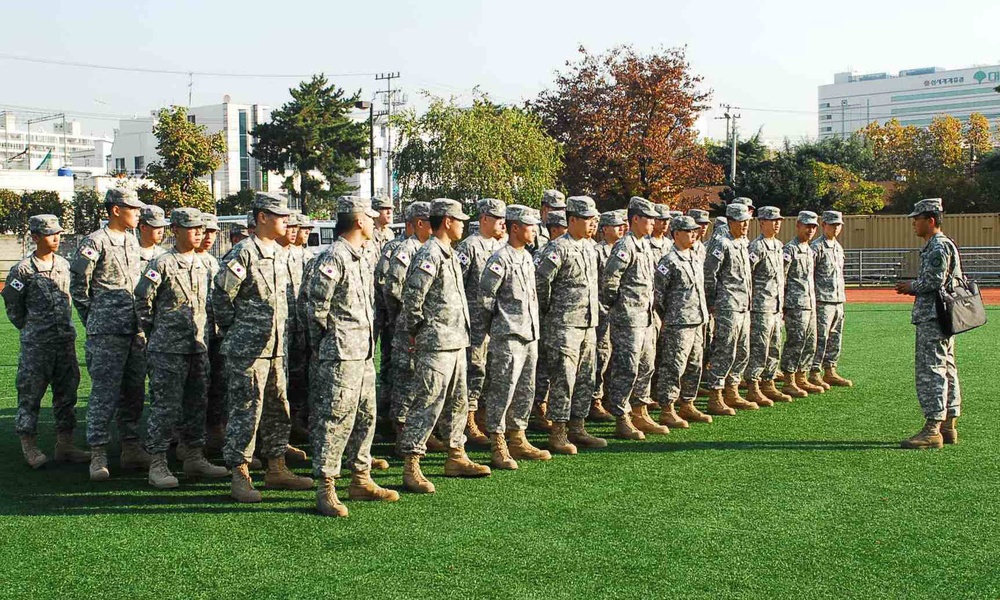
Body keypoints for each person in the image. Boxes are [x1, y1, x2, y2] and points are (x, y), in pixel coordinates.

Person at [214, 193, 313, 503]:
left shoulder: (281, 254)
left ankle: (276, 468)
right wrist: (237, 329)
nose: (286, 221)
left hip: (278, 347)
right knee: (246, 410)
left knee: (277, 408)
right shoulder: (243, 253)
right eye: (279, 216)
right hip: (249, 349)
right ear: (261, 218)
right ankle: (240, 473)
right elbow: (220, 297)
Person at [306, 197, 398, 517]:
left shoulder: (361, 257)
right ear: (359, 221)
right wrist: (327, 343)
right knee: (334, 420)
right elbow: (316, 309)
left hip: (363, 352)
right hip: (341, 354)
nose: (375, 222)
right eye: (370, 218)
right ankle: (326, 487)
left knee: (365, 417)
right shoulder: (334, 258)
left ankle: (361, 478)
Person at [397, 198, 491, 493]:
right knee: (427, 404)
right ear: (447, 221)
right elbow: (412, 298)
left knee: (458, 403)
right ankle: (411, 463)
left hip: (455, 341)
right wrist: (419, 331)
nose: (464, 224)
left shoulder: (448, 253)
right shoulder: (430, 253)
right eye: (460, 219)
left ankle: (456, 455)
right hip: (436, 343)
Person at [135, 208, 229, 488]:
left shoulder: (205, 264)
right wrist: (159, 333)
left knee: (197, 404)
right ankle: (158, 463)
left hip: (198, 346)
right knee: (166, 407)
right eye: (192, 228)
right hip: (168, 349)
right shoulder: (161, 264)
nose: (199, 233)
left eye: (202, 228)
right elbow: (142, 303)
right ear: (175, 230)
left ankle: (194, 456)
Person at [70, 188, 150, 481]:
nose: (138, 213)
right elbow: (78, 284)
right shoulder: (95, 241)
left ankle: (130, 446)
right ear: (116, 209)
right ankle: (98, 452)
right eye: (133, 208)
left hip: (133, 328)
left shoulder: (131, 242)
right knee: (104, 392)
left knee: (134, 390)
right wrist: (93, 317)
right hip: (106, 331)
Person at [3, 214, 89, 469]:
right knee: (30, 395)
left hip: (64, 342)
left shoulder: (64, 265)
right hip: (36, 345)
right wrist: (30, 328)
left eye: (58, 233)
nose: (56, 238)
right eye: (50, 234)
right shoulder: (22, 270)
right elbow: (12, 305)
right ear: (36, 237)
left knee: (67, 394)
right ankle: (29, 444)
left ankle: (65, 444)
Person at [533, 196, 607, 454]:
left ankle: (578, 426)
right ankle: (558, 431)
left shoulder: (590, 247)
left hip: (587, 323)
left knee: (585, 377)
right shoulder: (558, 248)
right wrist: (550, 310)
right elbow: (541, 282)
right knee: (563, 378)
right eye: (587, 219)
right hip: (564, 325)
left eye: (594, 219)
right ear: (572, 220)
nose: (592, 224)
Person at [479, 204, 550, 469]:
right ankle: (497, 442)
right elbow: (485, 297)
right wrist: (494, 326)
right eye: (530, 226)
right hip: (508, 335)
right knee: (503, 390)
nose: (535, 230)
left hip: (529, 333)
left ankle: (518, 437)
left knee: (525, 389)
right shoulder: (500, 258)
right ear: (516, 227)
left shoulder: (527, 258)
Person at [895, 198, 963, 449]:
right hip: (942, 317)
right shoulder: (942, 245)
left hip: (933, 316)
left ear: (930, 221)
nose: (914, 223)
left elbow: (934, 282)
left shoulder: (937, 247)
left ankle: (933, 427)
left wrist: (910, 286)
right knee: (947, 367)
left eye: (917, 219)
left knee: (932, 369)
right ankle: (948, 425)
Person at [600, 197, 668, 439]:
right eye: (649, 218)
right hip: (628, 318)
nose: (653, 222)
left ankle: (640, 411)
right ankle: (621, 416)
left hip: (646, 318)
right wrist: (619, 306)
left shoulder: (645, 245)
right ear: (636, 219)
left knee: (647, 366)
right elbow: (609, 281)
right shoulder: (625, 246)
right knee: (626, 368)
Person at [653, 215, 713, 428]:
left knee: (695, 364)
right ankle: (667, 408)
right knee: (674, 366)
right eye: (689, 231)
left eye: (695, 231)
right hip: (678, 322)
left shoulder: (695, 258)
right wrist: (670, 316)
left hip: (697, 320)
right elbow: (658, 294)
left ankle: (687, 403)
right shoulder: (669, 261)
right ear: (676, 234)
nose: (694, 234)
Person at [455, 198, 506, 445]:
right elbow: (458, 285)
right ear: (484, 219)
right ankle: (469, 420)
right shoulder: (469, 247)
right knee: (474, 370)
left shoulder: (499, 247)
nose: (502, 223)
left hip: (493, 322)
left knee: (490, 370)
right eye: (497, 219)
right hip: (474, 323)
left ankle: (484, 416)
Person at [382, 202, 434, 436]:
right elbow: (392, 288)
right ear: (419, 223)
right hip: (408, 325)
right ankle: (401, 428)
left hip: (425, 327)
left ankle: (417, 428)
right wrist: (402, 317)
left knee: (420, 378)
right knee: (405, 376)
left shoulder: (430, 249)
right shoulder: (406, 249)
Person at [703, 203, 756, 415]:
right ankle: (715, 395)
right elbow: (710, 275)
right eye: (741, 222)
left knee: (742, 350)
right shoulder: (721, 243)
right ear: (731, 221)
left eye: (747, 222)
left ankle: (732, 391)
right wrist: (713, 301)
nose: (745, 225)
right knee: (725, 349)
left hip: (743, 306)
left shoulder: (742, 242)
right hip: (728, 306)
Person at [745, 206, 792, 406]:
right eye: (772, 220)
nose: (776, 224)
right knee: (759, 347)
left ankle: (769, 382)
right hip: (760, 307)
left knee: (774, 346)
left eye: (779, 220)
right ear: (761, 222)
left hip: (775, 306)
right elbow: (748, 276)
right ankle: (753, 386)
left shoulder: (778, 245)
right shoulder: (756, 247)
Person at [780, 211, 823, 397]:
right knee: (795, 341)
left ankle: (802, 376)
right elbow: (781, 278)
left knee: (810, 342)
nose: (810, 230)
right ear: (798, 225)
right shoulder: (790, 250)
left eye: (813, 227)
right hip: (795, 304)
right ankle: (789, 379)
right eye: (807, 226)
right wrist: (782, 305)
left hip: (810, 303)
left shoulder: (810, 250)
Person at [590, 209, 626, 422]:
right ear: (604, 230)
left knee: (615, 357)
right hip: (602, 312)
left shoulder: (622, 250)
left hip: (619, 314)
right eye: (616, 225)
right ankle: (595, 400)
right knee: (601, 356)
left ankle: (611, 398)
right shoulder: (597, 252)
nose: (621, 228)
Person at [196, 213, 227, 453]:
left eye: (213, 232)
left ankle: (214, 430)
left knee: (217, 384)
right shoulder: (170, 261)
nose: (208, 237)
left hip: (214, 334)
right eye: (204, 231)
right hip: (189, 337)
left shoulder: (212, 262)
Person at [811, 210, 853, 388]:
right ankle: (814, 371)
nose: (836, 228)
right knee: (820, 337)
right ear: (824, 225)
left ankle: (830, 369)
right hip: (822, 300)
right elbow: (808, 275)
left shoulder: (837, 247)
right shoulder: (816, 247)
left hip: (837, 299)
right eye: (832, 224)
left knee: (835, 337)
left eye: (838, 225)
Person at [138, 204, 169, 272]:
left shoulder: (163, 255)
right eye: (156, 227)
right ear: (143, 227)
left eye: (162, 227)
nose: (161, 231)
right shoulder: (130, 252)